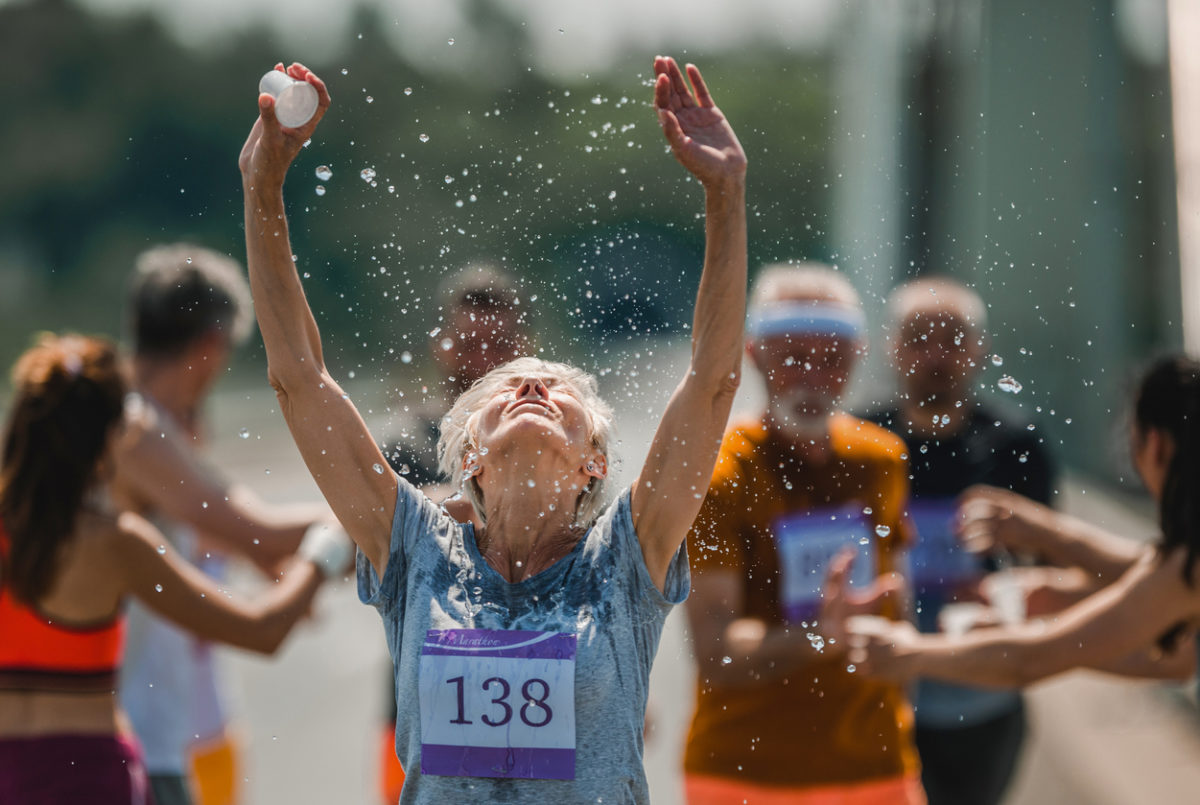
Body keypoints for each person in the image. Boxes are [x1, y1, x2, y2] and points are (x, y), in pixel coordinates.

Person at [238, 57, 746, 803]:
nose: (536, 385)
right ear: (468, 450)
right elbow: (299, 378)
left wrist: (725, 196)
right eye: (508, 389)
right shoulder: (413, 546)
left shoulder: (627, 556)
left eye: (561, 393)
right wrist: (263, 189)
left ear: (590, 464)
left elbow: (711, 382)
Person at [0, 333, 347, 803]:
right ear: (108, 438)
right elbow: (262, 630)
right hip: (90, 778)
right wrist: (322, 553)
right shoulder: (116, 542)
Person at [683, 262, 924, 804]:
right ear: (754, 355)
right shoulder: (718, 473)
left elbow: (898, 607)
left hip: (877, 763)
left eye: (832, 358)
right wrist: (821, 636)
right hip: (744, 771)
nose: (813, 376)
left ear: (858, 358)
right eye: (793, 355)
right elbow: (716, 650)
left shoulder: (882, 458)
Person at [112, 244, 331, 805]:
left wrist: (267, 558)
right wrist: (395, 517)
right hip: (137, 730)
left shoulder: (135, 422)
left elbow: (217, 531)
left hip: (159, 723)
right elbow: (258, 529)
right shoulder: (135, 428)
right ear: (212, 344)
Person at [844, 355, 1200, 690]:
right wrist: (1042, 539)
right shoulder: (1184, 565)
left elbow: (1029, 660)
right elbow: (1150, 575)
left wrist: (909, 652)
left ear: (1155, 445)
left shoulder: (1187, 569)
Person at [862, 277, 1054, 805]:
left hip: (982, 695)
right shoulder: (860, 444)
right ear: (892, 348)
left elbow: (1054, 571)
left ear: (979, 350)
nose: (936, 355)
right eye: (919, 338)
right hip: (876, 692)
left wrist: (1005, 593)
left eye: (952, 339)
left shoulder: (1015, 447)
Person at [376, 262, 531, 803]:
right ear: (442, 346)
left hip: (542, 677)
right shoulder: (408, 439)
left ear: (524, 346)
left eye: (499, 345)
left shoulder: (554, 441)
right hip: (424, 689)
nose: (484, 361)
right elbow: (376, 534)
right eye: (470, 344)